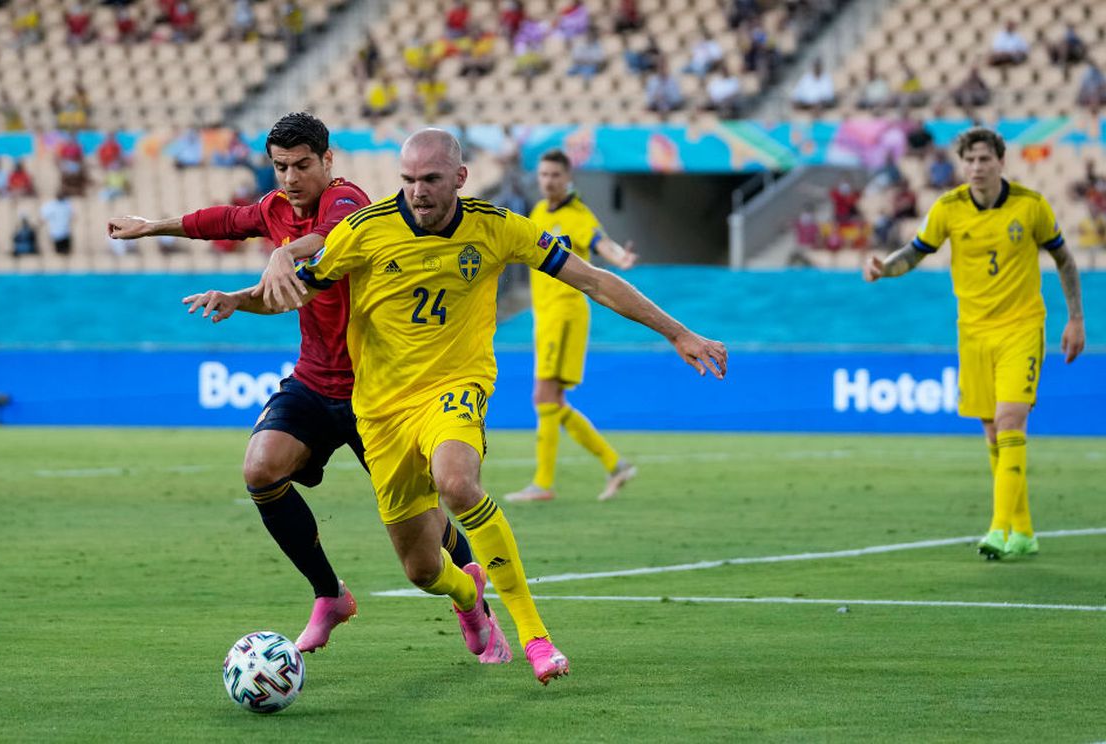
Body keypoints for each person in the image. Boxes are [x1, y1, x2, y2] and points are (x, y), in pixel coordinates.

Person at [183, 129, 728, 684]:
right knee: (422, 570)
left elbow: (594, 280)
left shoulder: (497, 227)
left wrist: (678, 333)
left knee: (458, 483)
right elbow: (294, 291)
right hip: (381, 410)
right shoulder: (363, 232)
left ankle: (536, 636)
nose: (417, 192)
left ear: (460, 179)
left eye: (431, 179)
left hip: (455, 387)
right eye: (409, 180)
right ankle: (468, 597)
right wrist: (236, 300)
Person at [108, 112, 481, 656]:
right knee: (260, 468)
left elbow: (330, 240)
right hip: (313, 378)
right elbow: (225, 220)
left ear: (327, 162)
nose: (290, 177)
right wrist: (154, 227)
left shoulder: (347, 200)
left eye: (302, 165)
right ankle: (329, 594)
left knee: (421, 527)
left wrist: (285, 251)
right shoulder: (276, 208)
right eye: (280, 167)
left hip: (377, 390)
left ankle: (471, 592)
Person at [862, 127, 1085, 560]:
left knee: (1009, 421)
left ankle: (998, 530)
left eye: (985, 159)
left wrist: (1076, 318)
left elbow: (1064, 259)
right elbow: (916, 250)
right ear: (961, 165)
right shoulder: (949, 209)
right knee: (990, 428)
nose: (977, 168)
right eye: (970, 161)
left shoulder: (1031, 206)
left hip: (1022, 327)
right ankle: (1024, 531)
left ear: (1001, 161)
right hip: (973, 332)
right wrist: (885, 268)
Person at [503, 149, 639, 504]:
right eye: (544, 175)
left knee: (543, 397)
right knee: (552, 400)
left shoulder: (577, 214)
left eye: (555, 175)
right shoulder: (536, 213)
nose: (548, 181)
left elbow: (599, 241)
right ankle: (615, 463)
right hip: (544, 315)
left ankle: (543, 483)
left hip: (565, 313)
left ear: (568, 178)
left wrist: (619, 257)